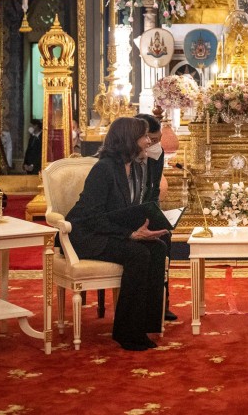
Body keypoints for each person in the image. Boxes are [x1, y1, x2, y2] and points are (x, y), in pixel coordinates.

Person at [66, 117, 168, 351]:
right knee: (138, 254)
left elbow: (127, 208)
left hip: (110, 230)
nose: (147, 141)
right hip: (87, 235)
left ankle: (146, 323)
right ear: (129, 140)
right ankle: (127, 332)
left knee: (158, 247)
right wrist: (131, 234)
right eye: (143, 137)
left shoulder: (135, 167)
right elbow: (92, 217)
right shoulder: (105, 169)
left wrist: (147, 227)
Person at [134, 112, 177, 322]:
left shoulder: (156, 152)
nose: (156, 145)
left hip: (148, 208)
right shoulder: (125, 157)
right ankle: (143, 303)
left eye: (158, 140)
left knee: (165, 235)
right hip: (131, 213)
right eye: (152, 140)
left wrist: (153, 215)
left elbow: (153, 188)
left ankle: (161, 302)